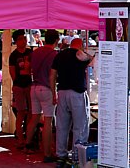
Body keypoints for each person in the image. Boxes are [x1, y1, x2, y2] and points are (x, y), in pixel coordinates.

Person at [51, 38, 94, 167]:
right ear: (80, 46)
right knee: (80, 127)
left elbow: (52, 75)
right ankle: (77, 156)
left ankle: (61, 156)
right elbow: (92, 62)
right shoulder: (80, 55)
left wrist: (53, 92)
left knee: (62, 127)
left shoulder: (60, 55)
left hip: (62, 92)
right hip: (77, 93)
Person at [26, 29, 59, 161]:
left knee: (34, 118)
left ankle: (27, 145)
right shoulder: (54, 54)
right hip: (46, 88)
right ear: (56, 40)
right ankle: (47, 153)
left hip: (34, 87)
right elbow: (53, 75)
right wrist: (54, 93)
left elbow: (28, 68)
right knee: (48, 121)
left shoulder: (35, 52)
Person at [8, 29, 33, 148]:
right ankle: (20, 139)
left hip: (29, 84)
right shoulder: (13, 55)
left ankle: (28, 137)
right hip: (19, 85)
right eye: (21, 38)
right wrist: (16, 84)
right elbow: (12, 71)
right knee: (21, 112)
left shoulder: (30, 52)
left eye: (24, 38)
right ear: (16, 41)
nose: (24, 40)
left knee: (31, 112)